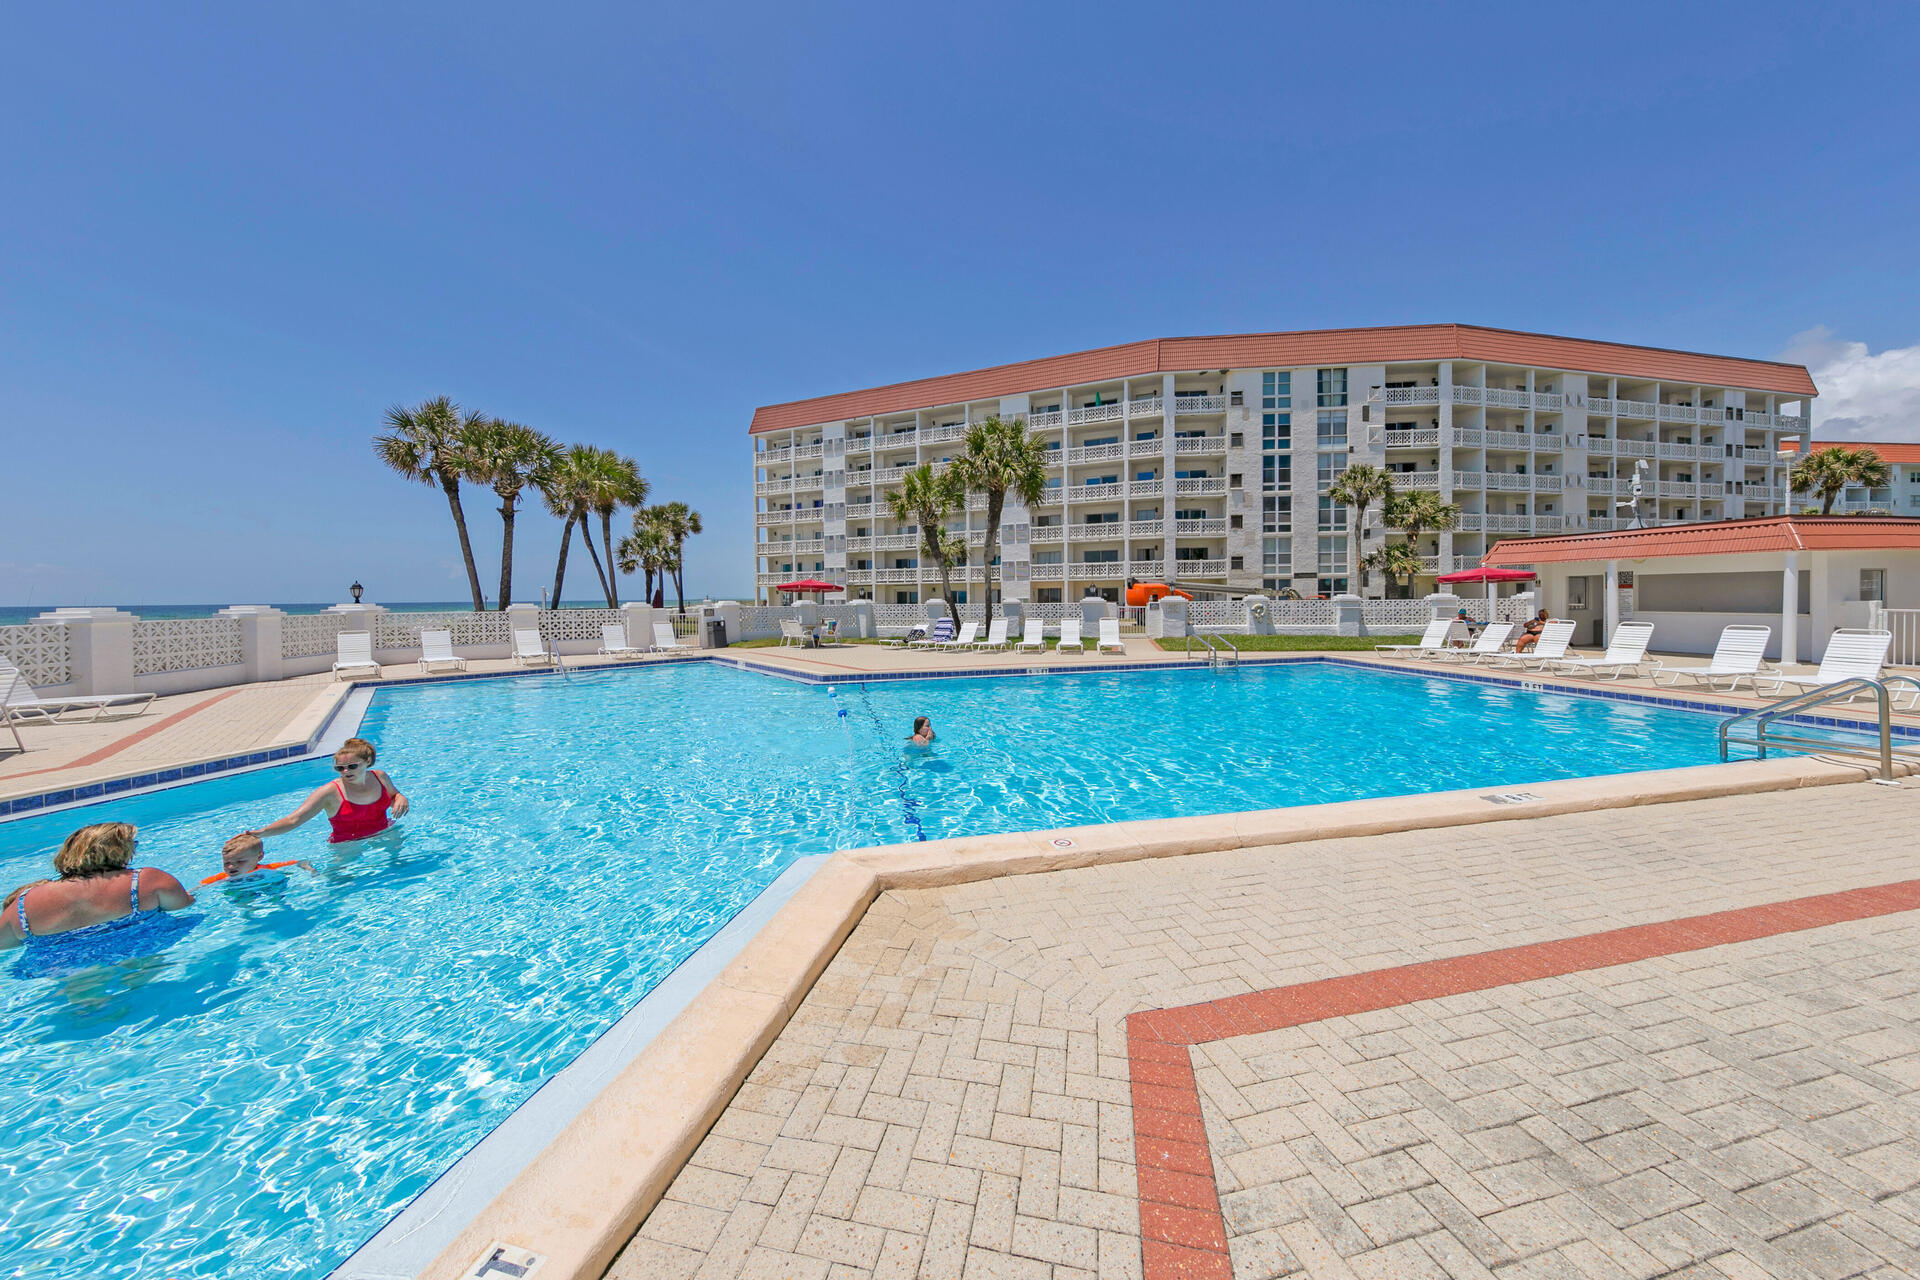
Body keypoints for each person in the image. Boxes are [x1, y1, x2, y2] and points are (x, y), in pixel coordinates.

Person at [0, 822, 195, 950]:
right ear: (119, 850)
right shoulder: (145, 880)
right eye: (132, 844)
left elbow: (3, 943)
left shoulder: (23, 902)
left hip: (59, 967)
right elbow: (184, 904)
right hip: (134, 950)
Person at [245, 737, 410, 845]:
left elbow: (394, 795)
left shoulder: (380, 777)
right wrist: (262, 833)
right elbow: (294, 820)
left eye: (352, 766)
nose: (346, 771)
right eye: (340, 768)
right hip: (347, 845)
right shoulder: (330, 792)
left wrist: (400, 797)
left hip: (384, 833)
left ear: (367, 761)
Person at [200, 833, 312, 886]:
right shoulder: (223, 877)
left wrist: (308, 868)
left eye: (240, 861)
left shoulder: (268, 868)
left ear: (259, 857)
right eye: (227, 862)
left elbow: (300, 861)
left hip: (266, 884)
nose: (231, 867)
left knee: (277, 885)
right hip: (242, 891)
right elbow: (201, 886)